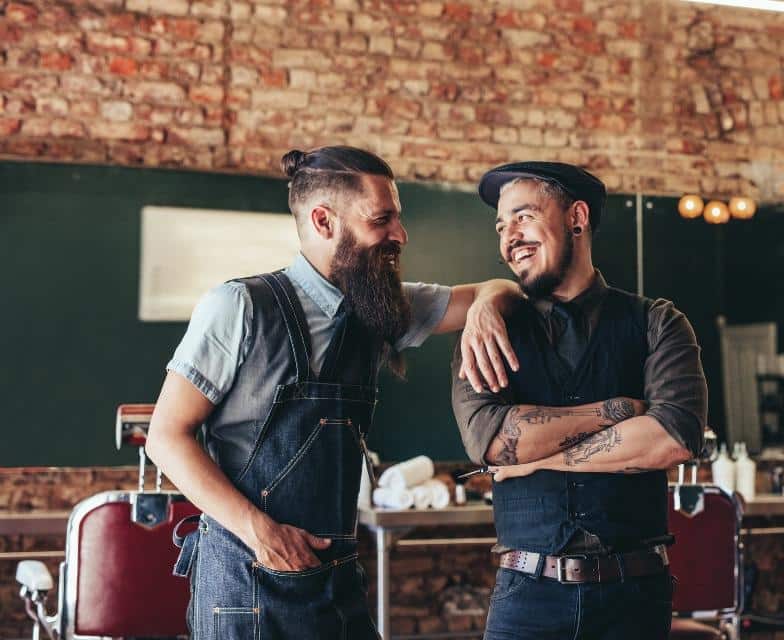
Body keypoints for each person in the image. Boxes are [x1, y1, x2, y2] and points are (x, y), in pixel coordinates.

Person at [145, 146, 521, 639]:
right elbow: (166, 436)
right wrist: (261, 532)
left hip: (336, 585)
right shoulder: (238, 306)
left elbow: (504, 288)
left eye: (398, 219)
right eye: (381, 220)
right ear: (324, 221)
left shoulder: (381, 309)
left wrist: (489, 305)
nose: (400, 236)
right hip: (245, 590)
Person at [451, 162, 709, 639]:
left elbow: (672, 438)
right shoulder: (487, 334)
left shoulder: (658, 323)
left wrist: (536, 462)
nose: (510, 236)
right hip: (526, 598)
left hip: (634, 599)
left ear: (577, 217)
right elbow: (492, 442)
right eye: (501, 225)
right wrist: (621, 412)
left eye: (523, 216)